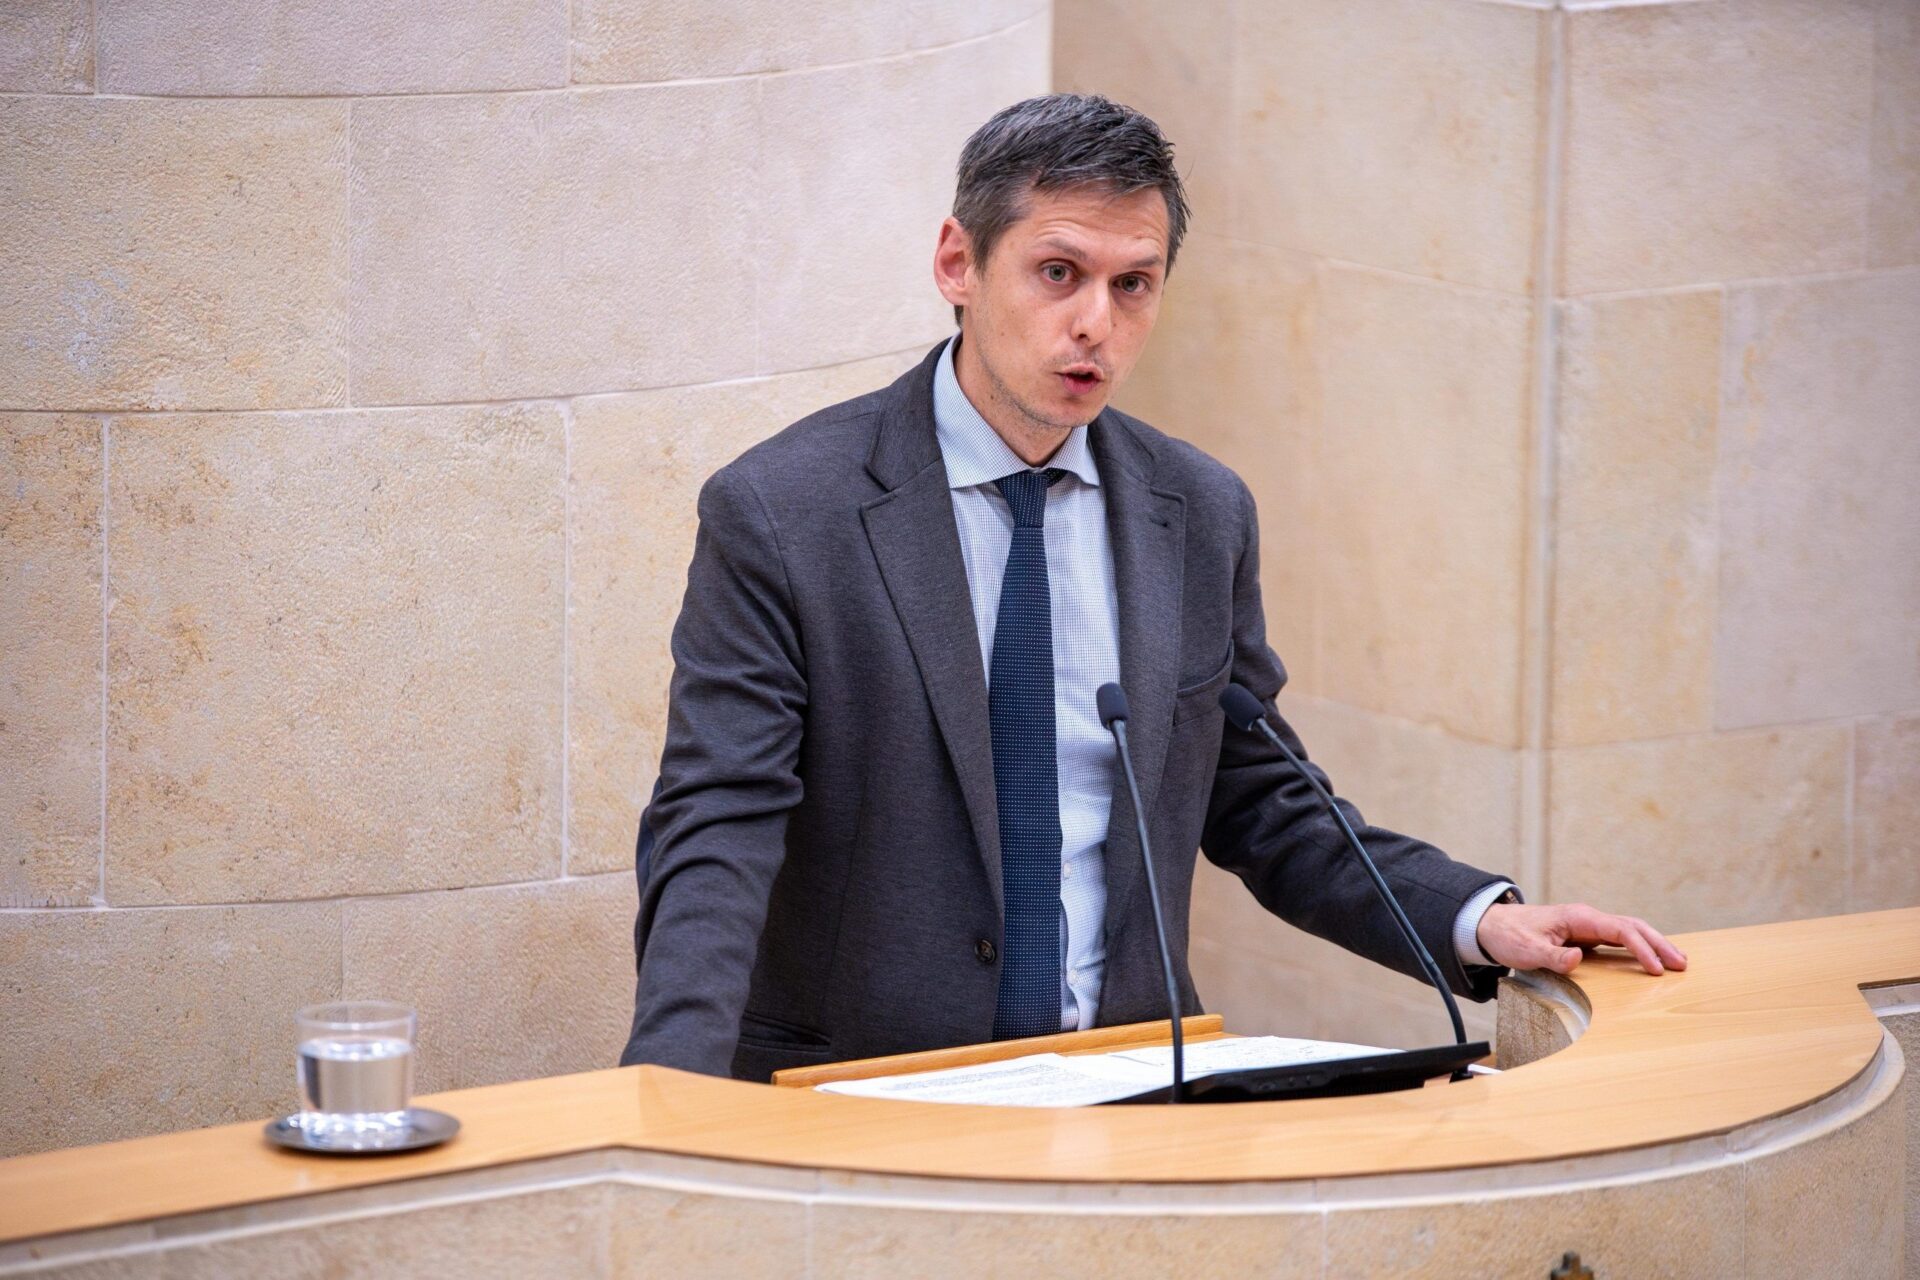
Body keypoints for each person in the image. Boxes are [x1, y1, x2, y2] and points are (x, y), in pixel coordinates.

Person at [618, 93, 1685, 1081]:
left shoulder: (1199, 511)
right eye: (1058, 272)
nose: (1096, 322)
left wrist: (1477, 918)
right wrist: (672, 1092)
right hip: (860, 1085)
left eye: (1133, 284)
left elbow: (1259, 795)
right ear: (957, 263)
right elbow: (719, 820)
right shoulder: (783, 511)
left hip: (1127, 1078)